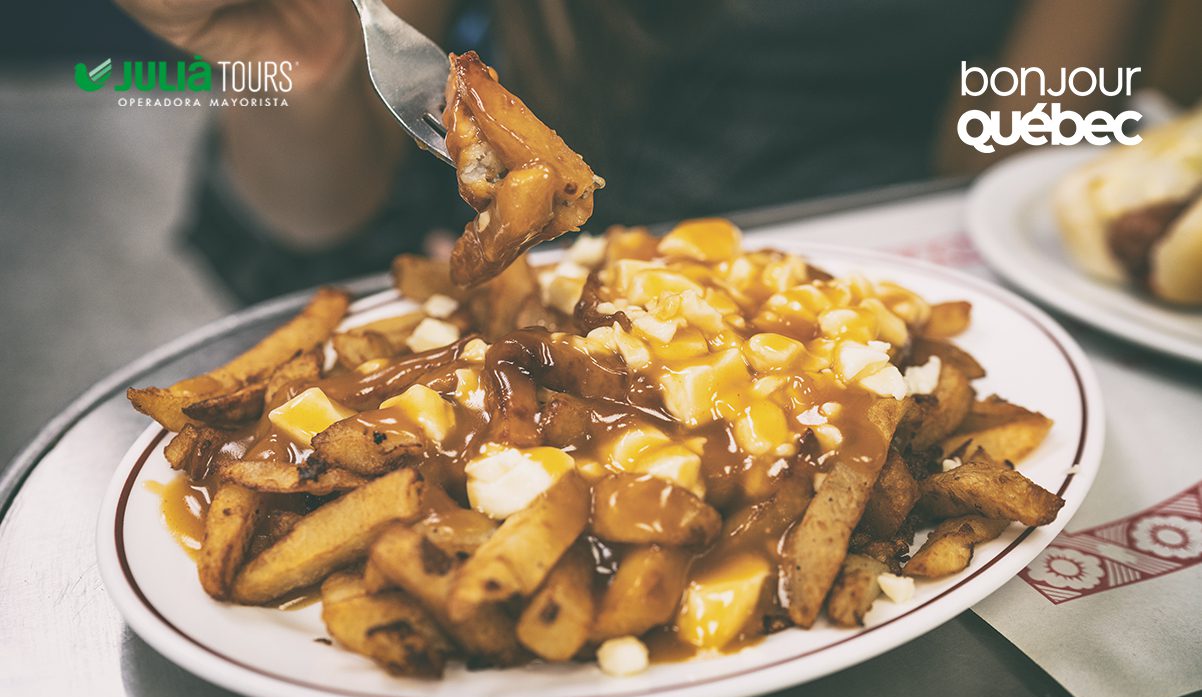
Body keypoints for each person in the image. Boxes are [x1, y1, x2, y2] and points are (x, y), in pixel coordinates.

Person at [114, 0, 1148, 303]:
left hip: (880, 272)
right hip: (549, 268)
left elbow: (1004, 160)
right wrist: (307, 78)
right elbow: (308, 216)